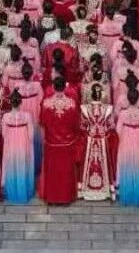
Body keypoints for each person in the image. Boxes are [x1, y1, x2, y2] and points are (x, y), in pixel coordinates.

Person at [39, 76, 81, 205]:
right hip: (67, 143)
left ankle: (52, 197)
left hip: (51, 142)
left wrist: (45, 138)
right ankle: (65, 197)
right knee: (65, 171)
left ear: (53, 87)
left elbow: (43, 123)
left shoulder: (46, 103)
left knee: (52, 171)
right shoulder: (72, 103)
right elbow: (76, 124)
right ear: (65, 87)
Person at [114, 87, 139, 207]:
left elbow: (118, 129)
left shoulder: (122, 114)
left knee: (126, 161)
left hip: (126, 137)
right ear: (138, 100)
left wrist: (124, 136)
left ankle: (123, 187)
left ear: (128, 99)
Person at [79, 83, 113, 201]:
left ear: (91, 94)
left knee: (88, 161)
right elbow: (110, 126)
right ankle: (105, 189)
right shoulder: (108, 109)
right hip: (102, 141)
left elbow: (82, 126)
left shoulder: (84, 108)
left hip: (90, 140)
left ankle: (85, 189)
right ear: (101, 95)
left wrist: (91, 128)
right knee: (104, 162)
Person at [1, 90, 36, 203]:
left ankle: (12, 191)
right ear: (21, 102)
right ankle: (23, 192)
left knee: (11, 165)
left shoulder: (6, 117)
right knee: (23, 166)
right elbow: (31, 134)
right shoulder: (27, 116)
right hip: (23, 144)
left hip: (11, 144)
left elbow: (3, 134)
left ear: (10, 102)